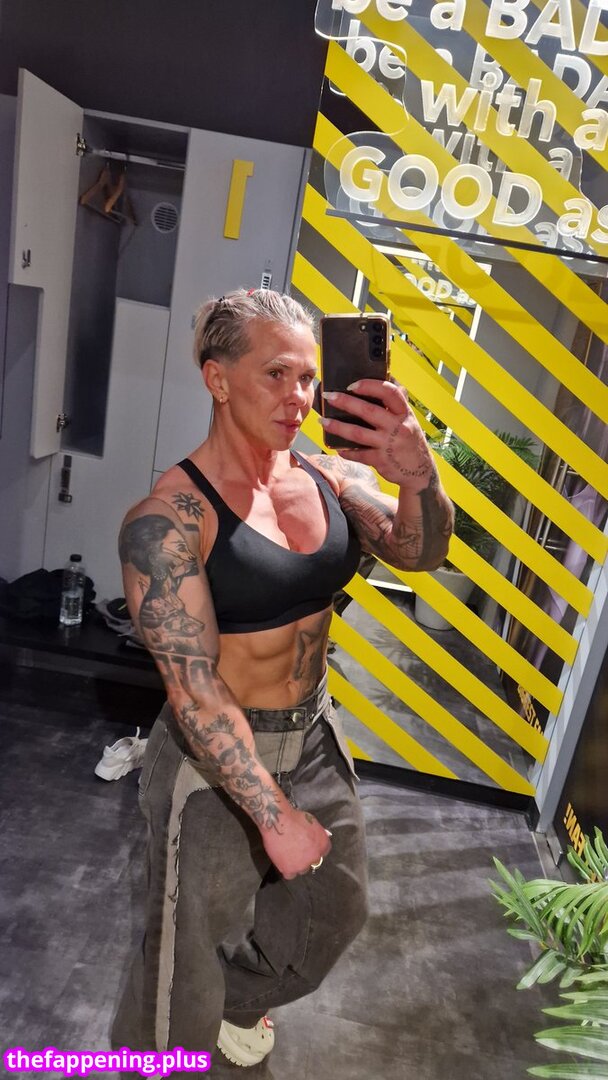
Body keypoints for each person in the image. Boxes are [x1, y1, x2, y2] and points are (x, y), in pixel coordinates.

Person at [111, 288, 453, 1074]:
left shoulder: (327, 477)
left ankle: (236, 1003)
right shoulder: (169, 519)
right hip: (214, 758)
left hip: (315, 733)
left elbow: (419, 552)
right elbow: (194, 691)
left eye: (307, 377)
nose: (298, 397)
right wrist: (272, 816)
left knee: (336, 912)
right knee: (181, 966)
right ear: (217, 378)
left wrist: (418, 474)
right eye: (275, 374)